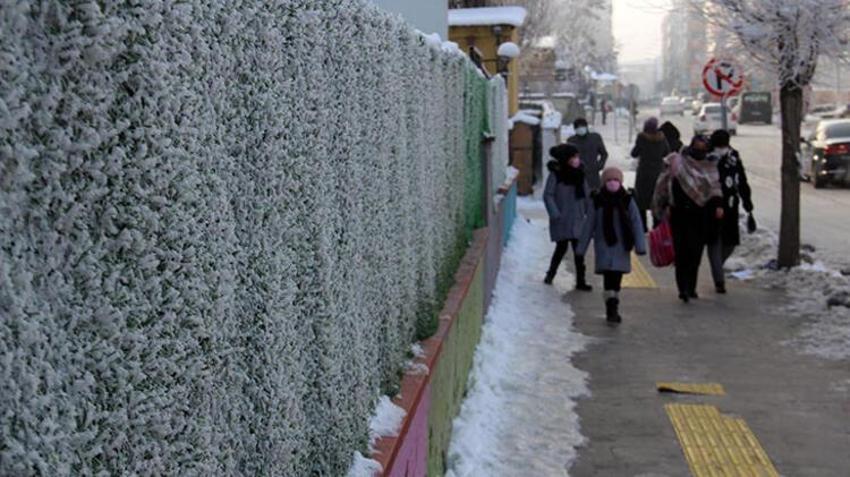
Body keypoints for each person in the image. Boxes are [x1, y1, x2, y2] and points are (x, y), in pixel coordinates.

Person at [653, 136, 723, 303]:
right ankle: (682, 289)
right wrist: (662, 207)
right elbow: (663, 185)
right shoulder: (678, 163)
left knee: (695, 253)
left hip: (700, 216)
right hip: (679, 215)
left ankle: (691, 287)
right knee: (681, 253)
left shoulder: (710, 166)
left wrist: (719, 206)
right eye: (697, 147)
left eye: (703, 147)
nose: (700, 150)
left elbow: (715, 190)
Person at [577, 167, 647, 323]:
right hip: (604, 246)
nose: (613, 183)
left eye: (616, 180)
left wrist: (640, 246)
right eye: (609, 180)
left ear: (621, 182)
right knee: (609, 278)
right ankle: (611, 308)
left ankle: (613, 303)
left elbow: (636, 223)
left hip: (622, 247)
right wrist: (581, 248)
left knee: (617, 279)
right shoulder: (598, 200)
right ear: (604, 182)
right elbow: (589, 224)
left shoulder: (627, 199)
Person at [706, 130, 755, 293]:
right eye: (719, 145)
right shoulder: (707, 158)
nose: (722, 148)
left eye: (724, 145)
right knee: (714, 241)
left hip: (731, 205)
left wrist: (747, 201)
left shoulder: (733, 157)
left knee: (730, 242)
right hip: (711, 205)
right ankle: (719, 280)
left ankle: (717, 265)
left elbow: (741, 179)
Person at [543, 144, 593, 290]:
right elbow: (548, 195)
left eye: (577, 157)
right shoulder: (556, 175)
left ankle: (581, 281)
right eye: (573, 157)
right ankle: (550, 274)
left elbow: (587, 195)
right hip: (562, 218)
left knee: (579, 251)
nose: (577, 160)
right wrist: (554, 213)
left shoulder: (579, 174)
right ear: (566, 158)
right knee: (561, 248)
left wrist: (590, 212)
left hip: (577, 218)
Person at [630, 117, 671, 231]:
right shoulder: (662, 138)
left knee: (641, 200)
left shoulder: (641, 138)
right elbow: (666, 152)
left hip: (644, 172)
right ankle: (657, 225)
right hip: (658, 172)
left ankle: (643, 226)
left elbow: (634, 153)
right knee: (657, 199)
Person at [567, 118, 609, 191]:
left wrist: (600, 165)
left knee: (595, 196)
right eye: (578, 127)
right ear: (575, 129)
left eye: (582, 126)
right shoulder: (571, 141)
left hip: (593, 174)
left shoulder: (595, 138)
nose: (580, 129)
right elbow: (568, 157)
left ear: (586, 127)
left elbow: (604, 154)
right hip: (578, 175)